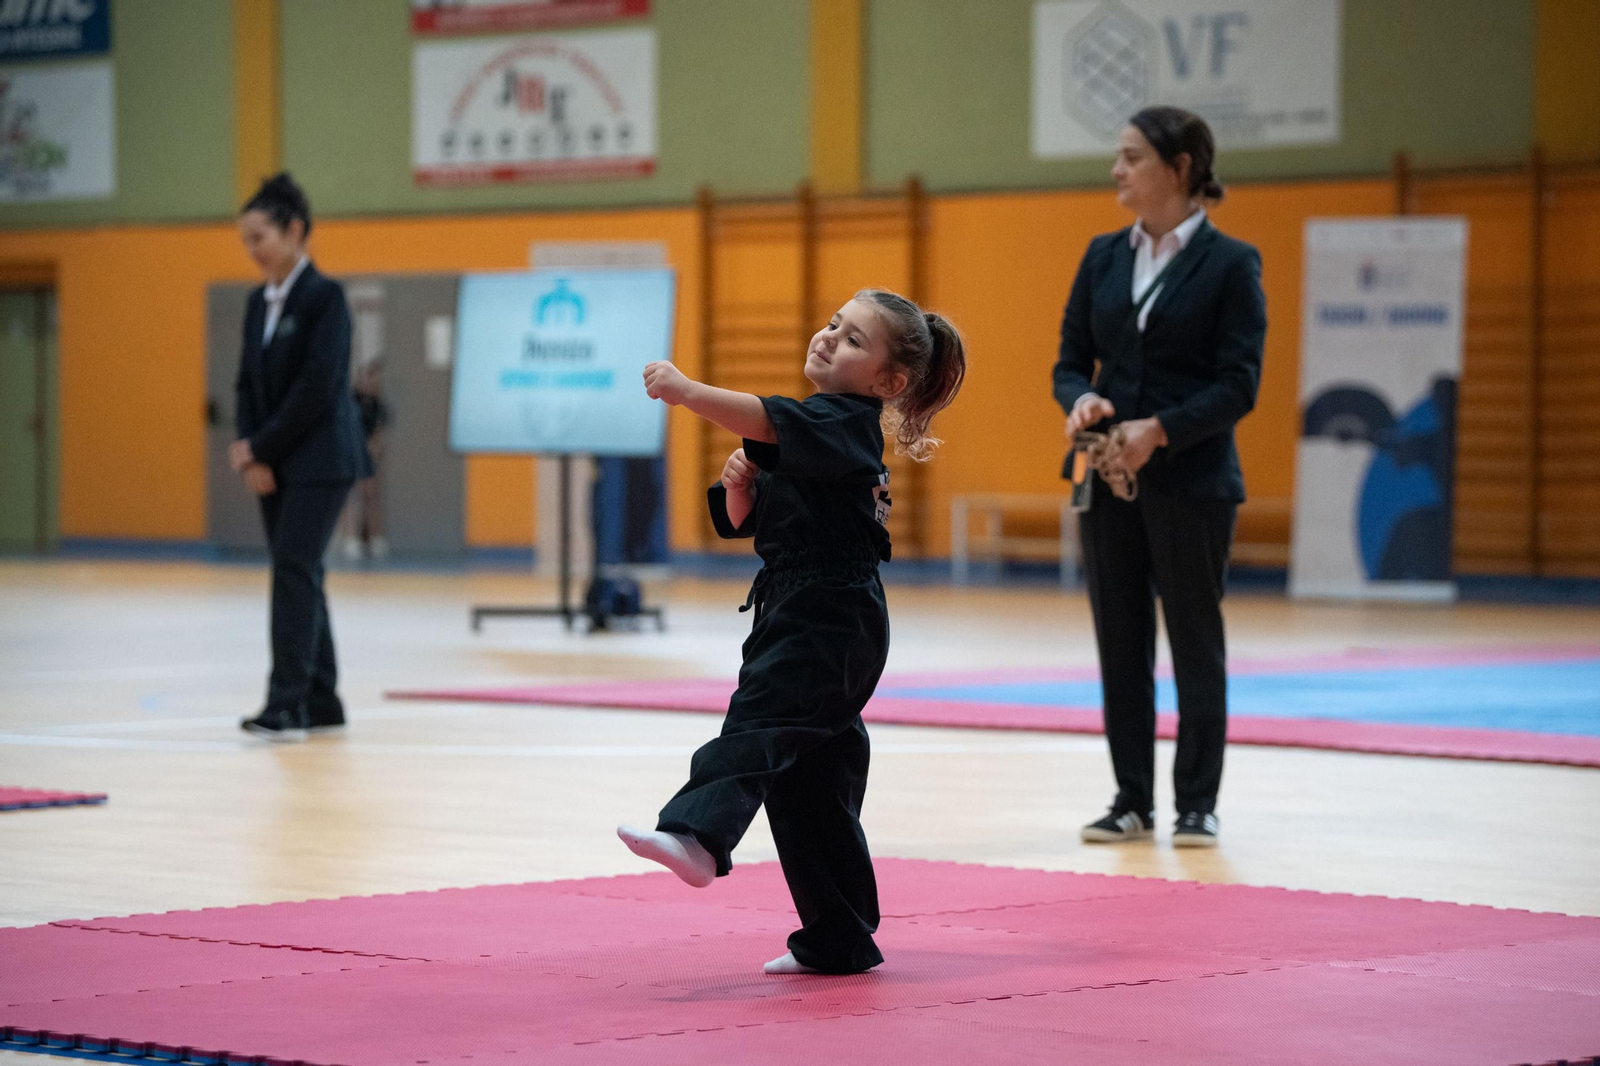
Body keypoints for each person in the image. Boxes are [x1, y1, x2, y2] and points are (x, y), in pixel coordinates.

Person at [618, 289, 966, 975]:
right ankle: (838, 936)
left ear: (888, 383)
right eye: (834, 323)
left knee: (761, 722)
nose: (831, 337)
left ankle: (698, 833)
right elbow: (765, 517)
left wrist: (688, 392)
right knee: (812, 785)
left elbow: (764, 420)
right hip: (805, 609)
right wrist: (742, 494)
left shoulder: (844, 420)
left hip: (830, 615)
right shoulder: (821, 431)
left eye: (855, 339)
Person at [1052, 106, 1267, 848]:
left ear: (1179, 169)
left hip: (1194, 481)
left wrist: (1162, 428)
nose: (1117, 169)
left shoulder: (1232, 264)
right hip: (1110, 479)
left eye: (1133, 156)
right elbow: (1070, 358)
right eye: (1119, 156)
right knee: (1120, 639)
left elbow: (1240, 384)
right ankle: (1131, 799)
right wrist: (1081, 399)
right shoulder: (1102, 255)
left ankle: (1198, 803)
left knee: (1195, 641)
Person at [232, 173, 371, 741]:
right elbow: (246, 383)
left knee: (292, 569)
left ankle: (284, 704)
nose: (252, 250)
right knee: (301, 572)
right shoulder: (255, 302)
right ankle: (321, 699)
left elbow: (318, 387)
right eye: (245, 239)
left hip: (322, 460)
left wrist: (261, 445)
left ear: (294, 231)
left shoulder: (325, 298)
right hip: (275, 462)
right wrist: (251, 454)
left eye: (260, 236)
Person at [341, 357, 391, 562]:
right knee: (351, 498)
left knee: (371, 495)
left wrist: (375, 448)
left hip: (370, 459)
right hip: (352, 456)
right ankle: (350, 537)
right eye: (369, 377)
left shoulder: (378, 404)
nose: (373, 382)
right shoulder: (351, 401)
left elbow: (380, 431)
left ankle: (375, 537)